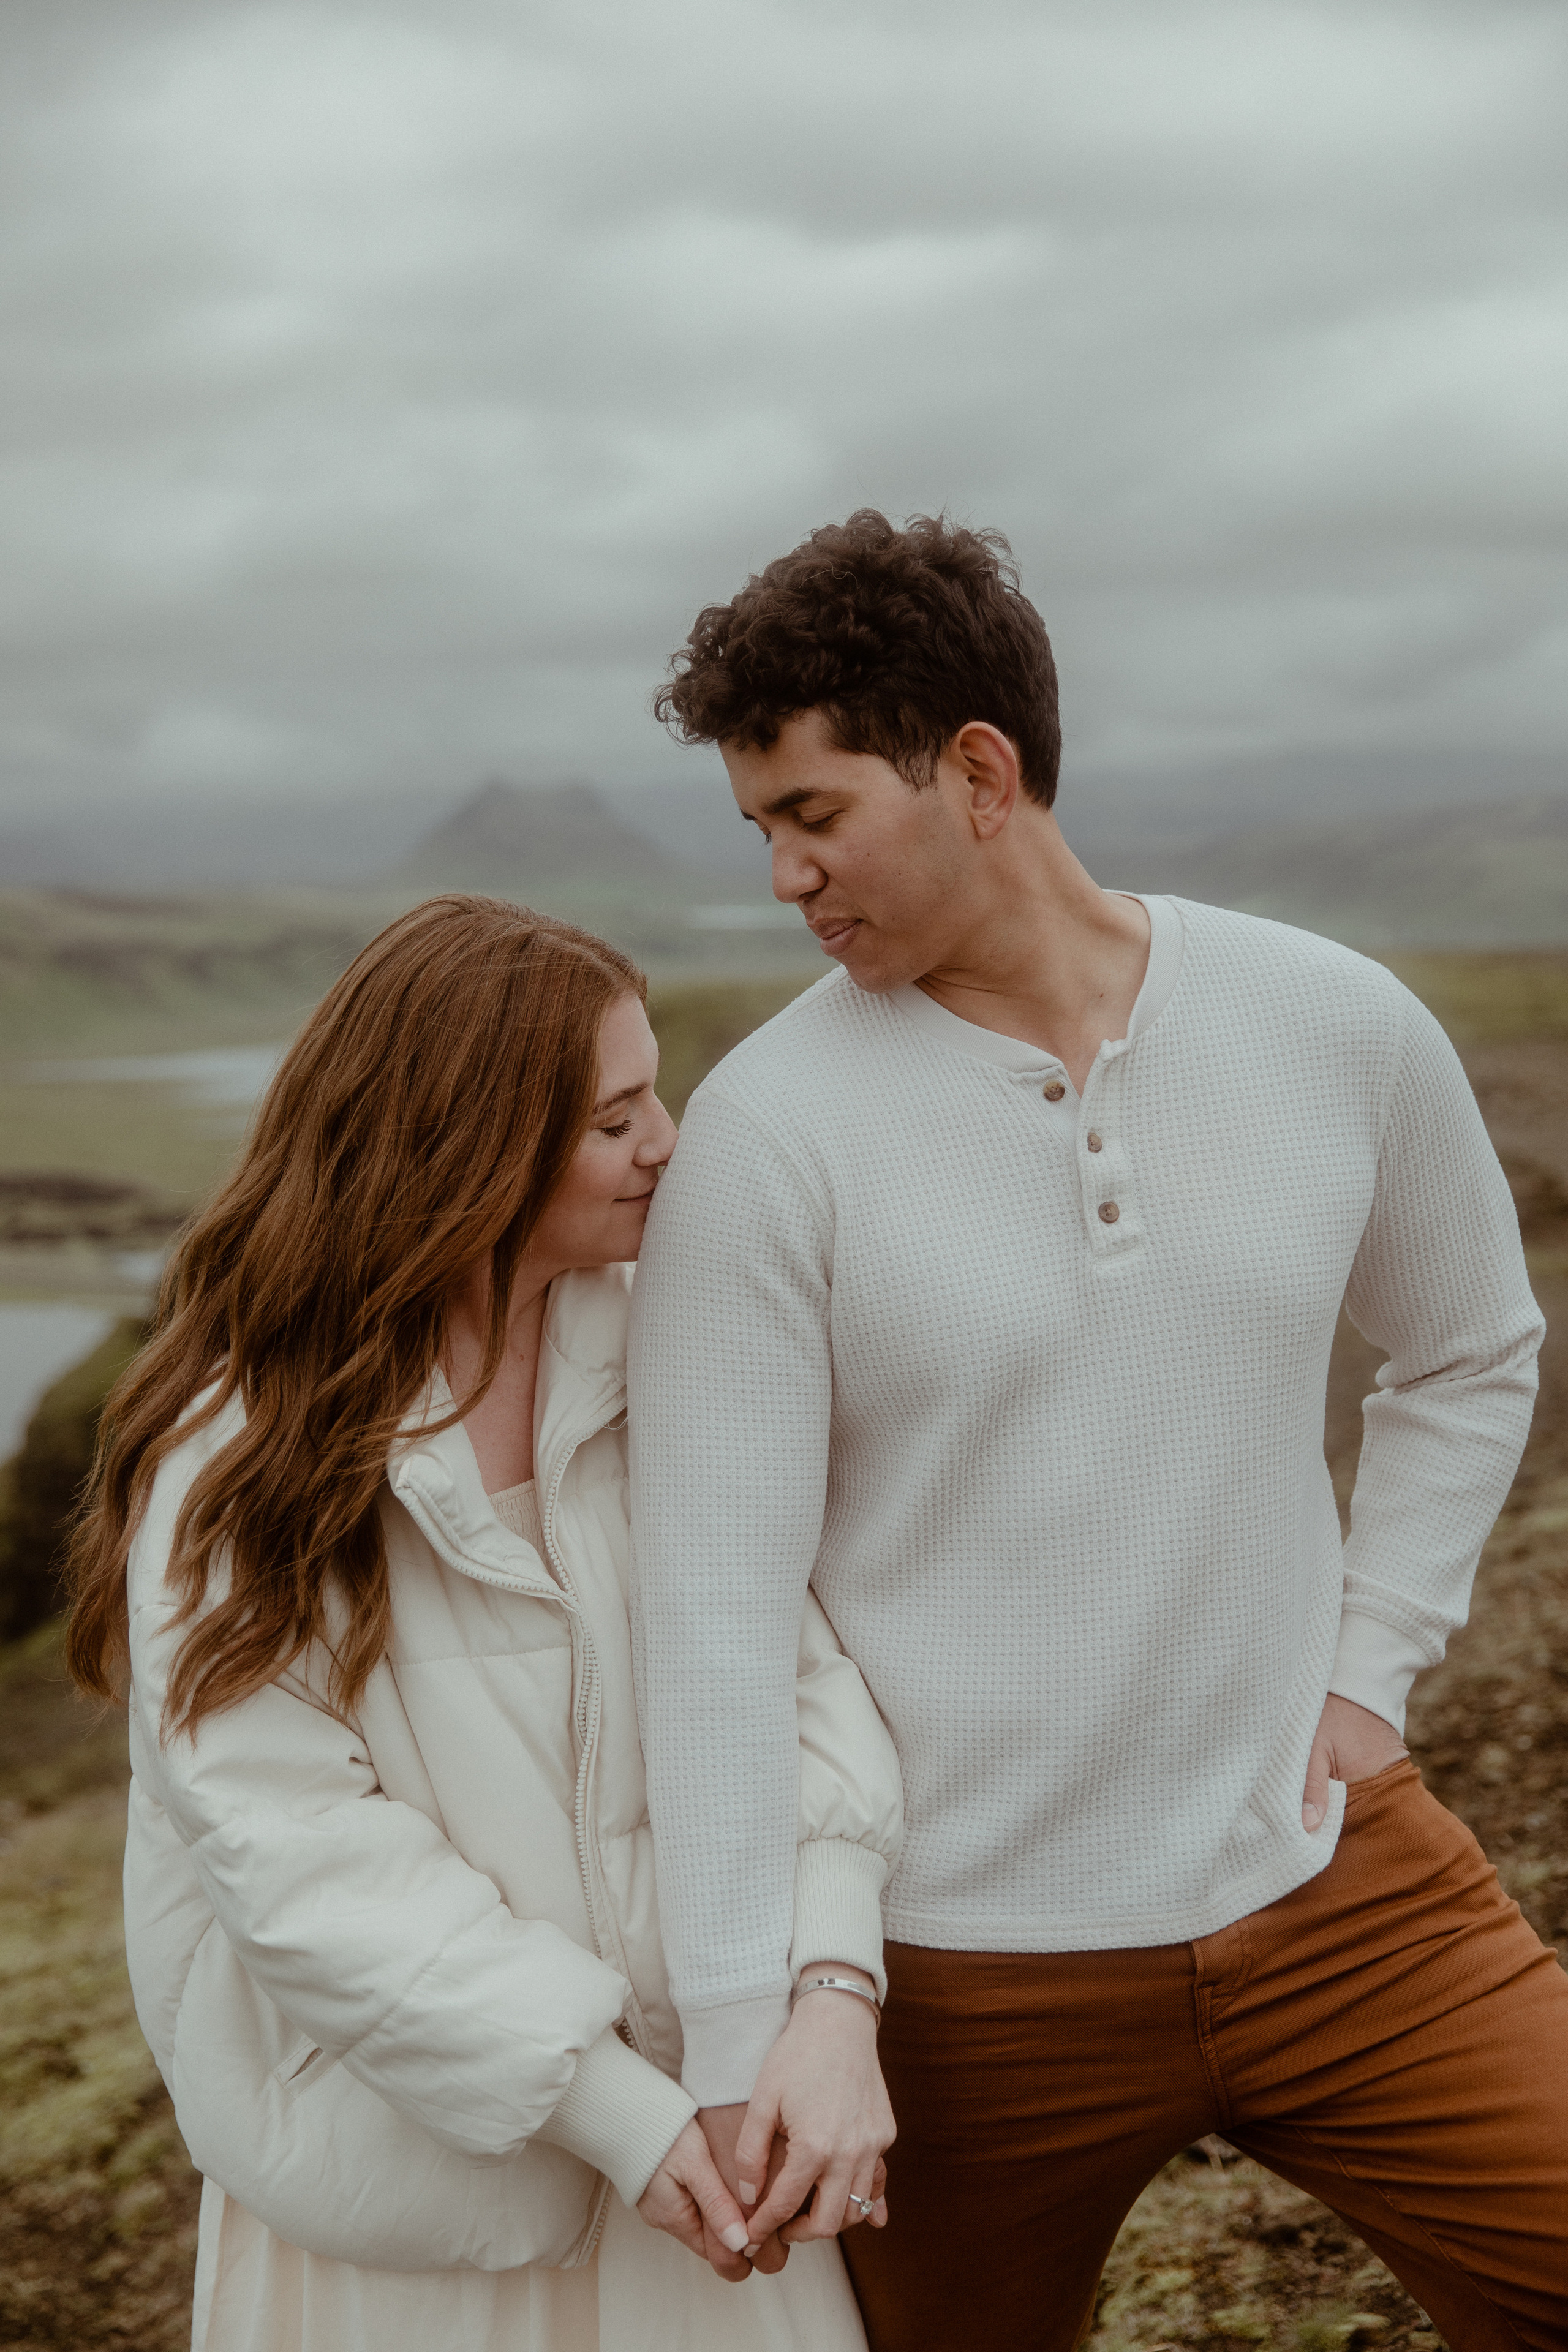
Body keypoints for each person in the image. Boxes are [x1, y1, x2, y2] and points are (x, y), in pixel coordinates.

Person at [628, 511, 1568, 2351]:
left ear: (977, 772)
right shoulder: (765, 1136)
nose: (783, 880)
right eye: (759, 831)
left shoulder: (1334, 1022)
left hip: (1336, 1885)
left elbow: (1468, 1350)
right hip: (962, 1982)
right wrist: (754, 2031)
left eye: (813, 816)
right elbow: (716, 1615)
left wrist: (1374, 1671)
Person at [66, 894, 900, 2352]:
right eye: (614, 1120)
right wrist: (622, 2119)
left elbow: (799, 1671)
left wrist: (827, 1999)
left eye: (659, 1098)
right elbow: (299, 1859)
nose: (667, 1146)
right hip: (412, 2207)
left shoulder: (676, 1343)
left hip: (710, 2133)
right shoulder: (241, 1458)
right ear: (465, 1159)